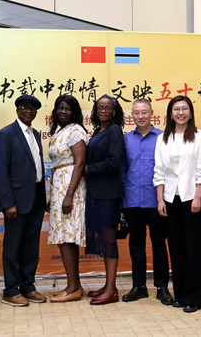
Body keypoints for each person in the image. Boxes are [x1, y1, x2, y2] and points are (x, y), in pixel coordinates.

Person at [154, 95, 201, 313]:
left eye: (184, 109)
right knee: (175, 247)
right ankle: (181, 294)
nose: (180, 113)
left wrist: (197, 196)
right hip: (170, 198)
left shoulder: (200, 136)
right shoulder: (163, 138)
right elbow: (159, 170)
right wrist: (160, 199)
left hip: (192, 197)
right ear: (170, 113)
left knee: (194, 247)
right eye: (176, 109)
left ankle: (195, 297)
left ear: (191, 112)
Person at [0, 95, 48, 307]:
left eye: (32, 109)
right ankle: (10, 290)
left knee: (31, 247)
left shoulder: (35, 134)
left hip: (36, 199)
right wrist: (8, 203)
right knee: (12, 247)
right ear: (17, 110)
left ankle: (28, 286)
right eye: (24, 108)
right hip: (16, 202)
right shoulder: (6, 134)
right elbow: (1, 171)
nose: (28, 111)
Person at [121, 99, 173, 305]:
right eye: (136, 113)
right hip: (132, 200)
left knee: (159, 243)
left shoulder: (163, 138)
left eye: (144, 112)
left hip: (157, 200)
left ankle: (162, 287)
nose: (140, 116)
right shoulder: (126, 140)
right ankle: (139, 286)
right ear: (132, 116)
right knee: (136, 244)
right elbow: (123, 170)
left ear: (152, 113)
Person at [85, 95, 125, 305]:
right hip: (95, 193)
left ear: (114, 111)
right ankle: (109, 285)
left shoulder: (114, 131)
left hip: (108, 194)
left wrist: (88, 169)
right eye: (100, 107)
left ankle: (111, 290)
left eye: (108, 108)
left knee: (109, 240)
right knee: (102, 239)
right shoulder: (98, 131)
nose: (103, 110)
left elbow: (113, 162)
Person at [47, 95, 88, 303]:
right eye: (60, 108)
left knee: (68, 238)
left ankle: (73, 287)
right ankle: (74, 285)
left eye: (68, 109)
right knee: (64, 238)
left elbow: (79, 163)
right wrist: (52, 196)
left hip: (71, 189)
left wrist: (69, 195)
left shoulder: (76, 131)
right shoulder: (59, 131)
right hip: (59, 188)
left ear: (74, 112)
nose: (63, 112)